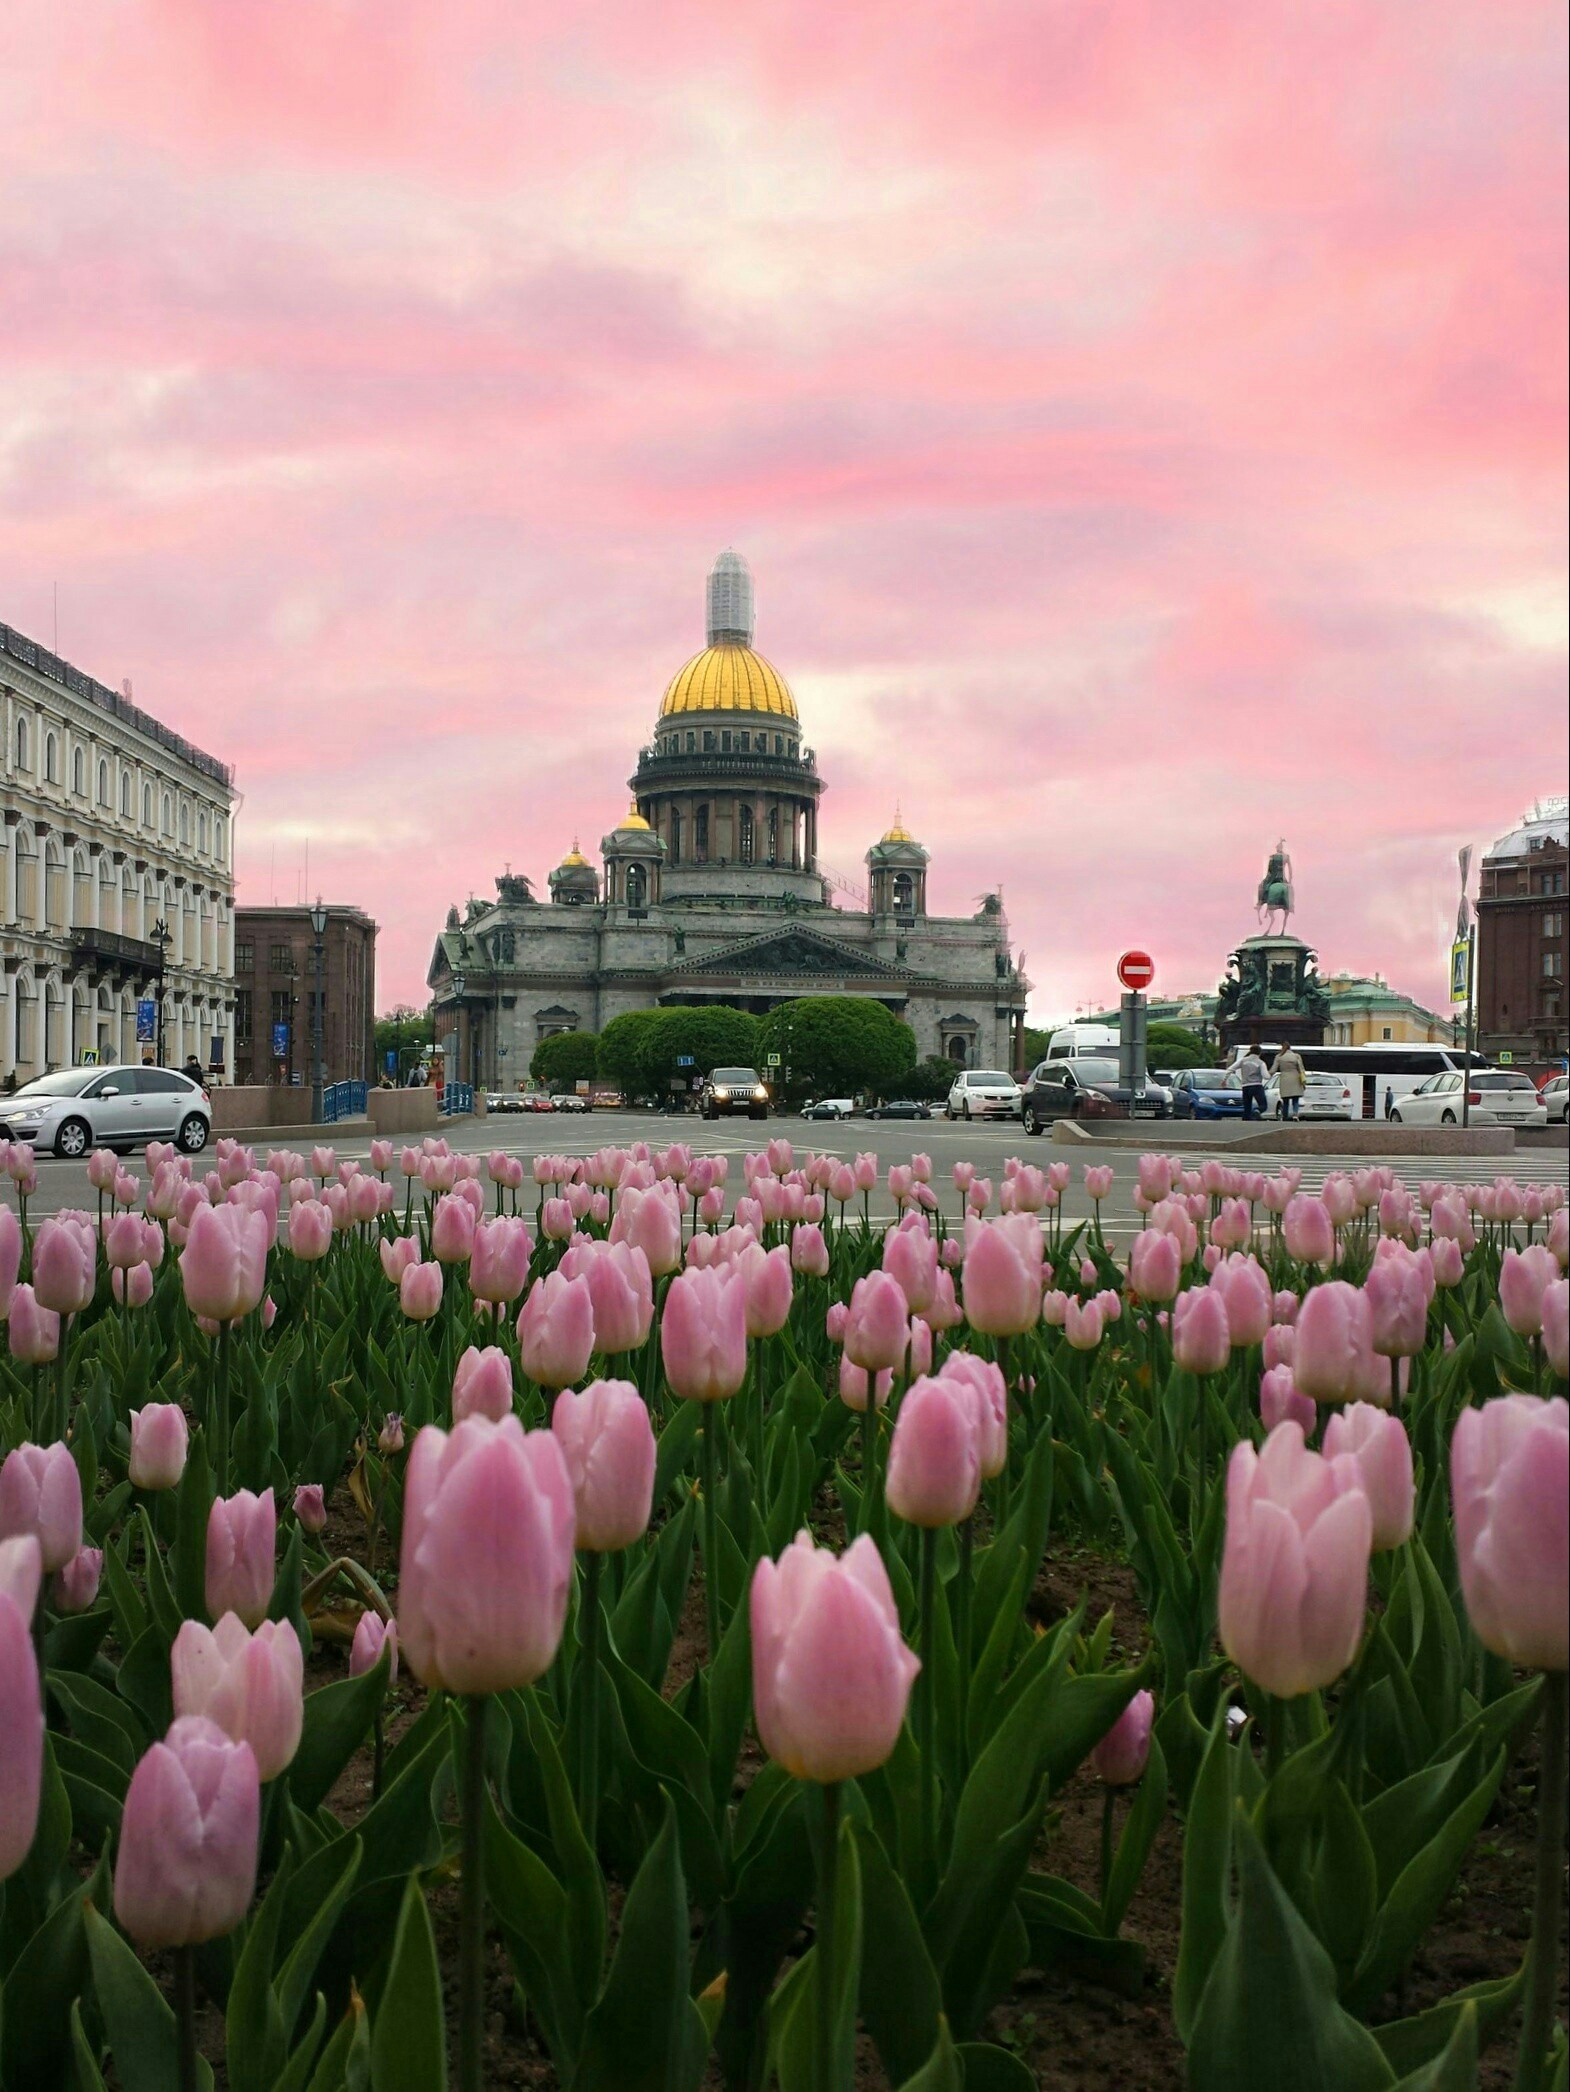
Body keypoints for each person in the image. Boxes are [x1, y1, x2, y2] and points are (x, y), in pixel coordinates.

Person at [1274, 1044, 1307, 1120]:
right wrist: (1304, 1082)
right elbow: (1301, 1069)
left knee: (1285, 1101)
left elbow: (1273, 1069)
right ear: (1290, 1048)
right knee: (1295, 1100)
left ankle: (1285, 1116)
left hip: (1284, 1079)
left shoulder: (1279, 1057)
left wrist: (1268, 1074)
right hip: (1296, 1078)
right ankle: (1295, 1114)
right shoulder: (1296, 1056)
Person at [1236, 1046, 1268, 1121]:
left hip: (1245, 1086)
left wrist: (1225, 1079)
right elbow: (1266, 1076)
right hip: (1257, 1085)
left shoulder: (1243, 1060)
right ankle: (1257, 1111)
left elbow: (1230, 1068)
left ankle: (1246, 1120)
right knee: (1263, 1105)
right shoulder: (1261, 1062)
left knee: (1247, 1106)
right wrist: (1271, 1074)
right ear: (1259, 1052)